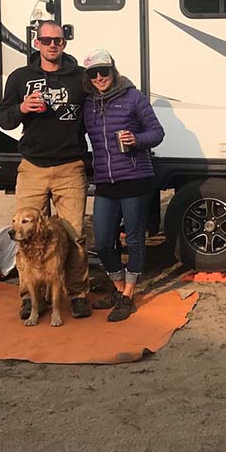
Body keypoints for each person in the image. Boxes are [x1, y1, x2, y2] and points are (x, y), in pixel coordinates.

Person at [0, 18, 92, 319]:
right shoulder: (20, 77)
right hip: (33, 167)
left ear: (64, 43)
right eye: (47, 40)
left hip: (70, 166)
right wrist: (23, 108)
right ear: (36, 43)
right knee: (24, 235)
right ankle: (29, 296)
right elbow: (4, 118)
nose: (53, 45)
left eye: (59, 40)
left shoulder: (80, 77)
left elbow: (97, 111)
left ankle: (76, 295)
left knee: (74, 237)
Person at [82, 49, 165, 322]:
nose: (98, 78)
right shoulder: (89, 103)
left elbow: (157, 133)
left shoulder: (133, 97)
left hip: (135, 178)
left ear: (113, 71)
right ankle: (118, 288)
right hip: (105, 181)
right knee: (104, 241)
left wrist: (136, 139)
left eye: (103, 71)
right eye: (93, 73)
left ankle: (128, 294)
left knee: (134, 239)